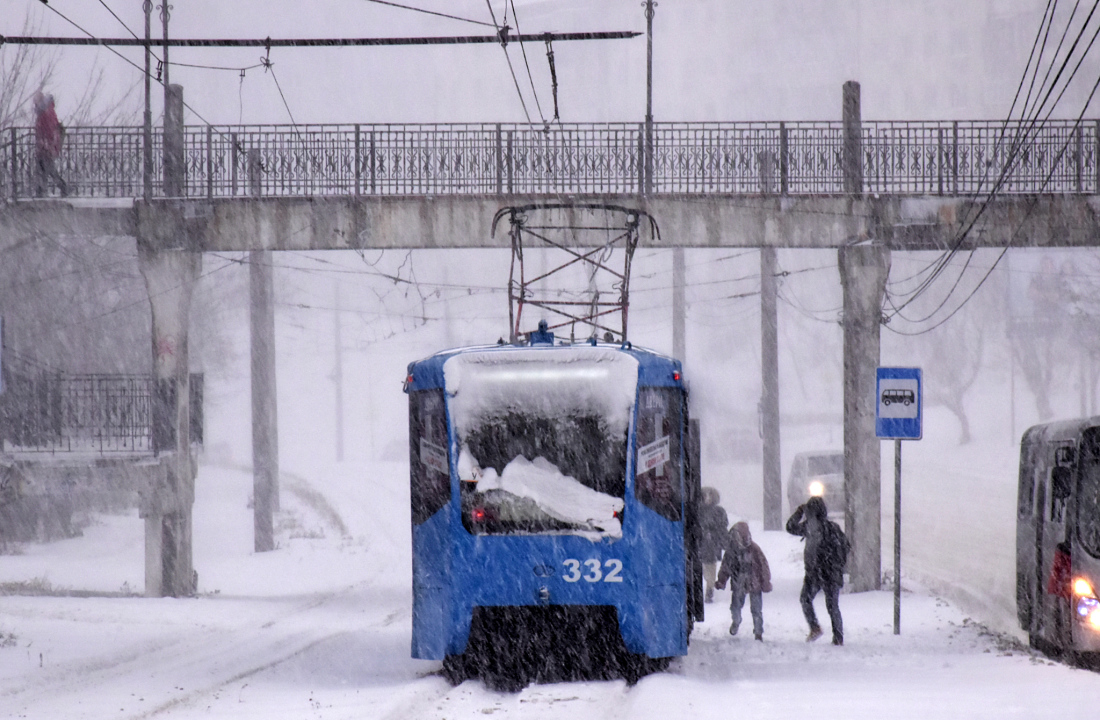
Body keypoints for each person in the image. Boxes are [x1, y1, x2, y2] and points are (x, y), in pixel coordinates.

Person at [786, 496, 846, 645]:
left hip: (816, 572)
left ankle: (815, 627)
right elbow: (845, 547)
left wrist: (799, 512)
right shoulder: (833, 528)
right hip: (830, 573)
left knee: (806, 599)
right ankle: (838, 637)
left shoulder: (810, 527)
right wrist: (838, 566)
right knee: (832, 606)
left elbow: (790, 527)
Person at [715, 520, 771, 640]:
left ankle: (758, 631)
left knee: (756, 609)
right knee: (736, 606)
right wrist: (721, 580)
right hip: (739, 582)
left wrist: (765, 581)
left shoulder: (754, 549)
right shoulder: (732, 551)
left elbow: (763, 565)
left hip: (753, 582)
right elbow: (726, 567)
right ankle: (736, 621)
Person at [698, 487, 729, 603]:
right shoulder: (696, 510)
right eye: (705, 495)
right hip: (698, 545)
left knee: (710, 568)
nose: (707, 498)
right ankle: (701, 590)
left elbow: (723, 528)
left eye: (710, 495)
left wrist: (724, 542)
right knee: (699, 569)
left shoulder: (719, 511)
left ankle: (709, 589)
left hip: (711, 546)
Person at [33, 91, 67, 197]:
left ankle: (61, 187)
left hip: (46, 146)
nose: (34, 103)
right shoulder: (44, 111)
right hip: (44, 145)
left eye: (36, 100)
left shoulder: (46, 112)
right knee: (44, 168)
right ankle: (41, 190)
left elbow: (49, 130)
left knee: (46, 169)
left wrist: (47, 144)